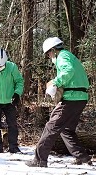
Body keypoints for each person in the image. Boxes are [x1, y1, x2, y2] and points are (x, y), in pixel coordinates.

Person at [27, 37, 92, 167]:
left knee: (51, 127)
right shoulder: (69, 55)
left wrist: (55, 83)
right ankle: (82, 157)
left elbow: (68, 71)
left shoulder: (62, 56)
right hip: (80, 98)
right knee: (66, 130)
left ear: (53, 50)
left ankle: (39, 159)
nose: (49, 56)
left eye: (48, 53)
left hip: (71, 98)